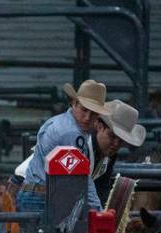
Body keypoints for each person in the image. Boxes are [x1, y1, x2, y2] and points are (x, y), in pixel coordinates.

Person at [15, 79, 111, 214]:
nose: (87, 118)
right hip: (41, 198)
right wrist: (97, 210)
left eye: (93, 113)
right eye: (84, 110)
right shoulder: (71, 133)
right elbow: (81, 176)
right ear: (74, 103)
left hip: (36, 195)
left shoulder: (58, 122)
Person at [93, 99, 146, 206]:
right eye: (112, 136)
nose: (116, 144)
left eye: (121, 140)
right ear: (99, 126)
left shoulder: (109, 154)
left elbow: (102, 186)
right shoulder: (80, 145)